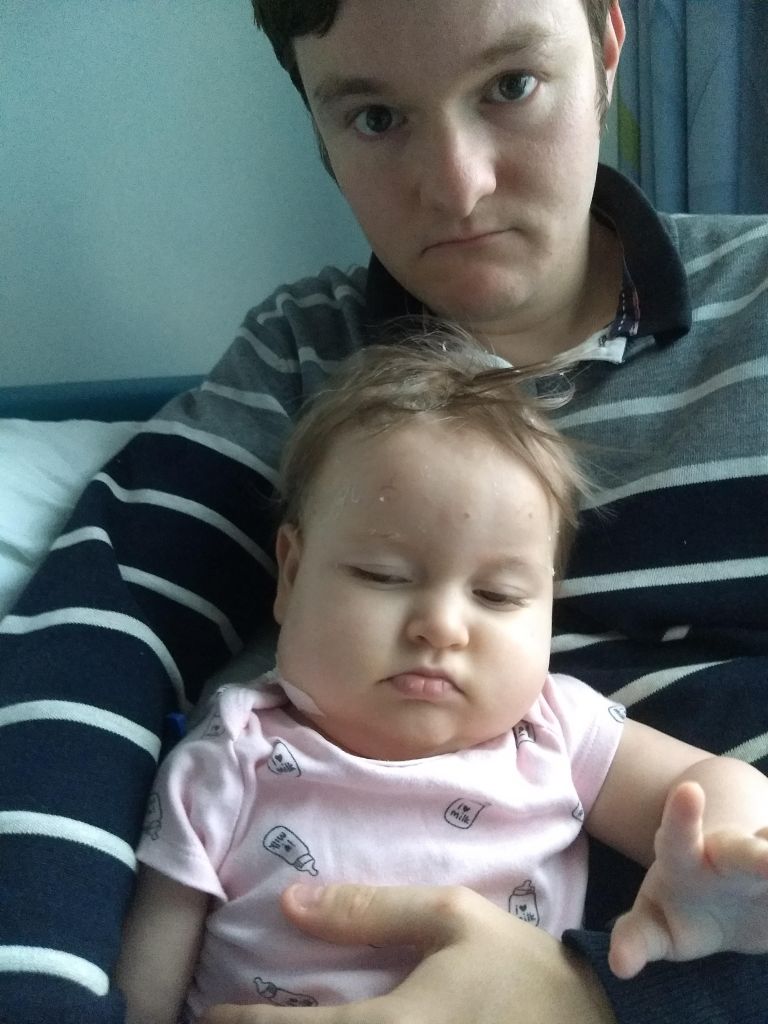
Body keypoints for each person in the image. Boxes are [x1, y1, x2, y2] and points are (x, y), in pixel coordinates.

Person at [0, 0, 766, 1022]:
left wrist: (605, 999)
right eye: (375, 117)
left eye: (511, 86)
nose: (458, 185)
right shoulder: (298, 357)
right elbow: (97, 646)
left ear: (606, 49)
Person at [114, 338, 768, 1024]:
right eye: (383, 576)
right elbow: (143, 990)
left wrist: (722, 860)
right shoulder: (229, 754)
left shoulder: (555, 731)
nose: (442, 627)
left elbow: (703, 784)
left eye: (498, 595)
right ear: (293, 574)